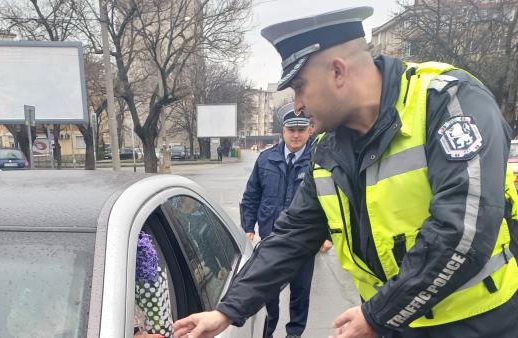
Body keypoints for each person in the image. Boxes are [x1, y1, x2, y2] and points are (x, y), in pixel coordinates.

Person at [174, 6, 518, 338]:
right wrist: (227, 311)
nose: (296, 106)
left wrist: (377, 315)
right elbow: (292, 236)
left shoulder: (446, 101)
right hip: (394, 322)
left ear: (338, 72)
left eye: (299, 87)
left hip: (477, 322)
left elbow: (464, 229)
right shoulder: (327, 149)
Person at [240, 102, 315, 338]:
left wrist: (329, 236)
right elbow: (252, 195)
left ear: (309, 130)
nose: (295, 135)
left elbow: (331, 200)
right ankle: (268, 332)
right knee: (268, 291)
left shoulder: (318, 160)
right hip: (271, 238)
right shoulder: (266, 159)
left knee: (300, 293)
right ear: (282, 131)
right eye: (291, 130)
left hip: (304, 241)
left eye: (301, 130)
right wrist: (248, 227)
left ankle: (294, 334)